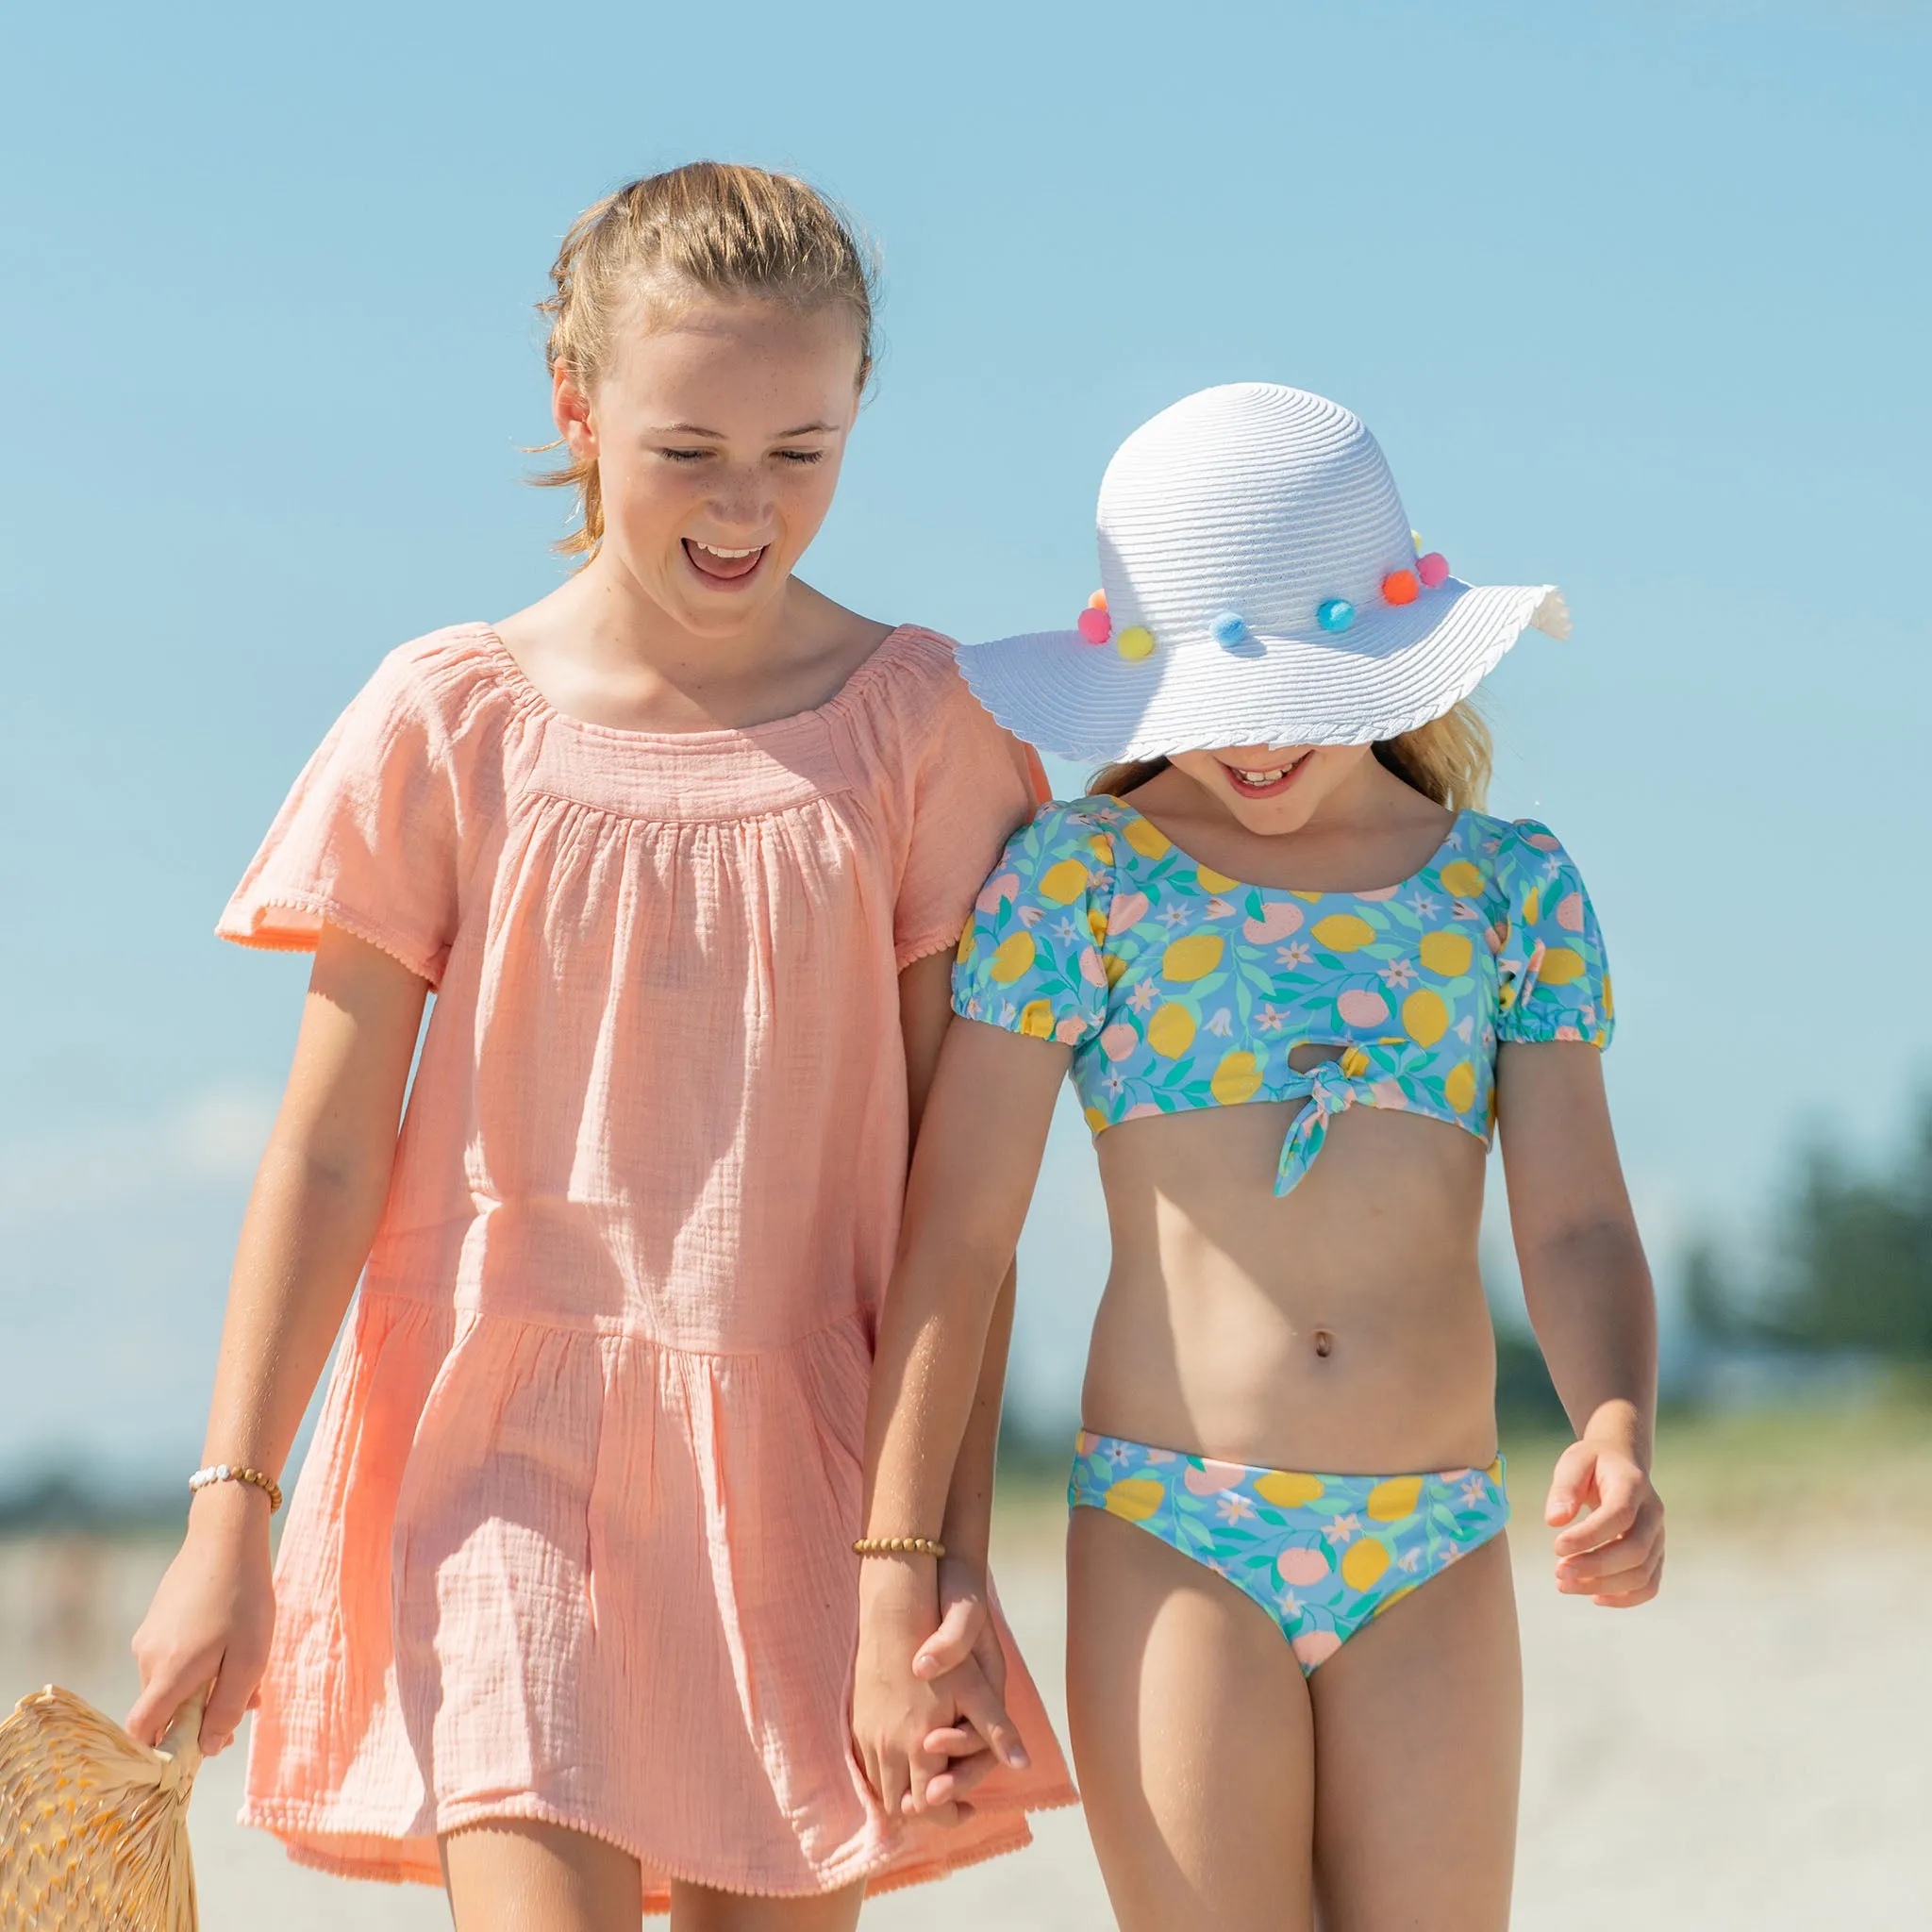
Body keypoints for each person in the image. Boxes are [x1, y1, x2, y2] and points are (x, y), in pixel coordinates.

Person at [125, 161, 1073, 1932]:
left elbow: (969, 1202)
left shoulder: (922, 729)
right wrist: (226, 1514)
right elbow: (327, 1152)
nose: (745, 505)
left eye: (801, 450)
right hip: (499, 1455)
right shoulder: (445, 719)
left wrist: (933, 1562)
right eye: (688, 448)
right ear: (577, 410)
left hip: (814, 1472)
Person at [853, 383, 1663, 1931]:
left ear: (1387, 655)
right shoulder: (1082, 881)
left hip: (1433, 1531)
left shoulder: (1509, 891)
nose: (1256, 734)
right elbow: (958, 1233)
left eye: (1300, 679)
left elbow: (1574, 1227)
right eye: (1216, 687)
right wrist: (908, 1561)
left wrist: (1613, 1424)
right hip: (1178, 1528)